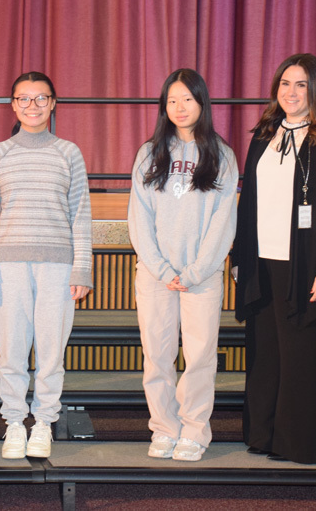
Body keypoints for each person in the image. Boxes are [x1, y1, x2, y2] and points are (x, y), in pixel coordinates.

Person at [233, 53, 316, 464]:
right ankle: (264, 436)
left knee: (301, 357)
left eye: (301, 84)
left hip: (306, 267)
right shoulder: (263, 136)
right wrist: (240, 257)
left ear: (315, 90)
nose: (291, 92)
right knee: (265, 354)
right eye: (285, 83)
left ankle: (296, 445)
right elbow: (247, 201)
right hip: (262, 262)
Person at [0, 71, 92, 459]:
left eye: (41, 99)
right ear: (13, 105)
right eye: (24, 99)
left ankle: (43, 422)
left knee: (51, 350)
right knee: (11, 351)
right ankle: (13, 423)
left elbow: (81, 216)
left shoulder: (68, 152)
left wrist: (81, 270)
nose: (33, 106)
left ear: (53, 103)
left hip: (58, 268)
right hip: (8, 268)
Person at [128, 69, 238, 462]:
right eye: (172, 100)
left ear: (202, 103)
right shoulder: (149, 153)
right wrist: (161, 269)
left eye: (187, 99)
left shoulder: (222, 155)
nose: (179, 107)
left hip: (202, 278)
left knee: (199, 357)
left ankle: (194, 430)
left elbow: (224, 222)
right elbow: (138, 218)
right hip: (155, 276)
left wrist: (192, 273)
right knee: (156, 356)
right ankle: (164, 428)